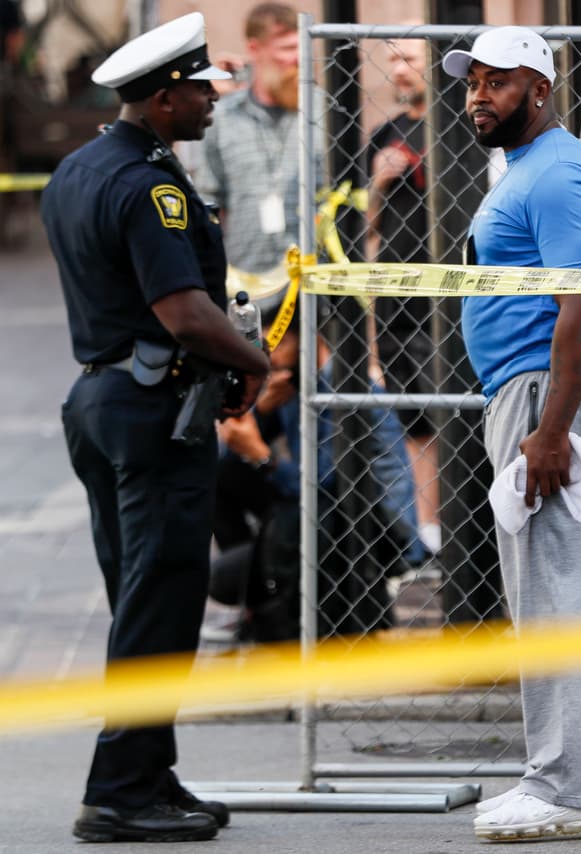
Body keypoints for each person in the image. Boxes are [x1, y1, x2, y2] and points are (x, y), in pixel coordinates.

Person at [40, 13, 271, 843]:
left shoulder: (77, 170)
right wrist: (253, 359)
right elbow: (183, 313)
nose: (211, 103)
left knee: (142, 599)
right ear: (166, 97)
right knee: (159, 602)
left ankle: (149, 774)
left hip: (99, 406)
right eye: (201, 91)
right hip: (152, 414)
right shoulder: (151, 185)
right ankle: (118, 794)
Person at [441, 26, 581, 842]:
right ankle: (550, 776)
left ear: (540, 90)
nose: (478, 93)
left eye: (498, 81)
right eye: (473, 79)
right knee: (542, 595)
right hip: (525, 394)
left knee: (565, 594)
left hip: (551, 400)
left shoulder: (556, 175)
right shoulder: (525, 171)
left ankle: (570, 793)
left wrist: (552, 431)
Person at [210, 296, 427, 641]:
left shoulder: (342, 389)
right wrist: (261, 413)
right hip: (317, 513)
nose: (269, 356)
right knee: (222, 476)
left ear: (308, 338)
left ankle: (279, 603)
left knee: (222, 577)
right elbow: (230, 461)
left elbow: (323, 490)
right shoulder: (292, 384)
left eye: (276, 344)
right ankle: (268, 600)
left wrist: (262, 456)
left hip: (369, 530)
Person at [366, 31, 441, 557]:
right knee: (411, 416)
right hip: (395, 294)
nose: (399, 70)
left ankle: (451, 528)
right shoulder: (384, 134)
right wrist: (378, 181)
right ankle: (427, 533)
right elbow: (364, 223)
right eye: (392, 59)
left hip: (443, 293)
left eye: (409, 58)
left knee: (445, 412)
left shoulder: (456, 128)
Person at [192, 2, 303, 274]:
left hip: (317, 284)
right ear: (255, 49)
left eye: (302, 46)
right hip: (250, 280)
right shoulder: (223, 116)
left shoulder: (321, 111)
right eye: (287, 48)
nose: (298, 57)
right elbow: (209, 198)